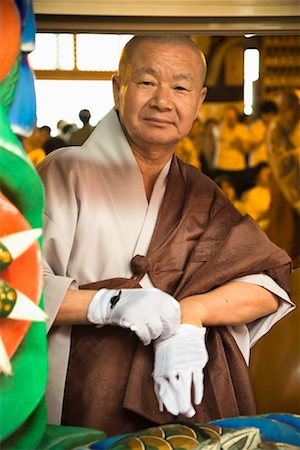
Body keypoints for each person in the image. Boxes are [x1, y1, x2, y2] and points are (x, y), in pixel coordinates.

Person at [37, 35, 294, 437]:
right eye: (146, 82)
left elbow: (269, 282)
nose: (162, 100)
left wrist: (193, 315)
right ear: (117, 88)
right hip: (77, 388)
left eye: (180, 86)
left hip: (178, 394)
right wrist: (108, 304)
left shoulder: (199, 191)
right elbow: (17, 290)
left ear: (199, 101)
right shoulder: (64, 172)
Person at [266, 90, 300, 267]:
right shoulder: (276, 130)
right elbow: (279, 161)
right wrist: (296, 155)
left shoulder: (296, 126)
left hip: (297, 184)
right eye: (291, 108)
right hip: (282, 185)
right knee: (285, 234)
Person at [213, 105, 251, 195]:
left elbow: (246, 149)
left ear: (236, 118)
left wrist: (240, 143)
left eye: (232, 117)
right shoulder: (219, 129)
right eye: (228, 117)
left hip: (238, 167)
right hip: (222, 166)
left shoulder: (242, 129)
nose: (230, 119)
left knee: (238, 193)